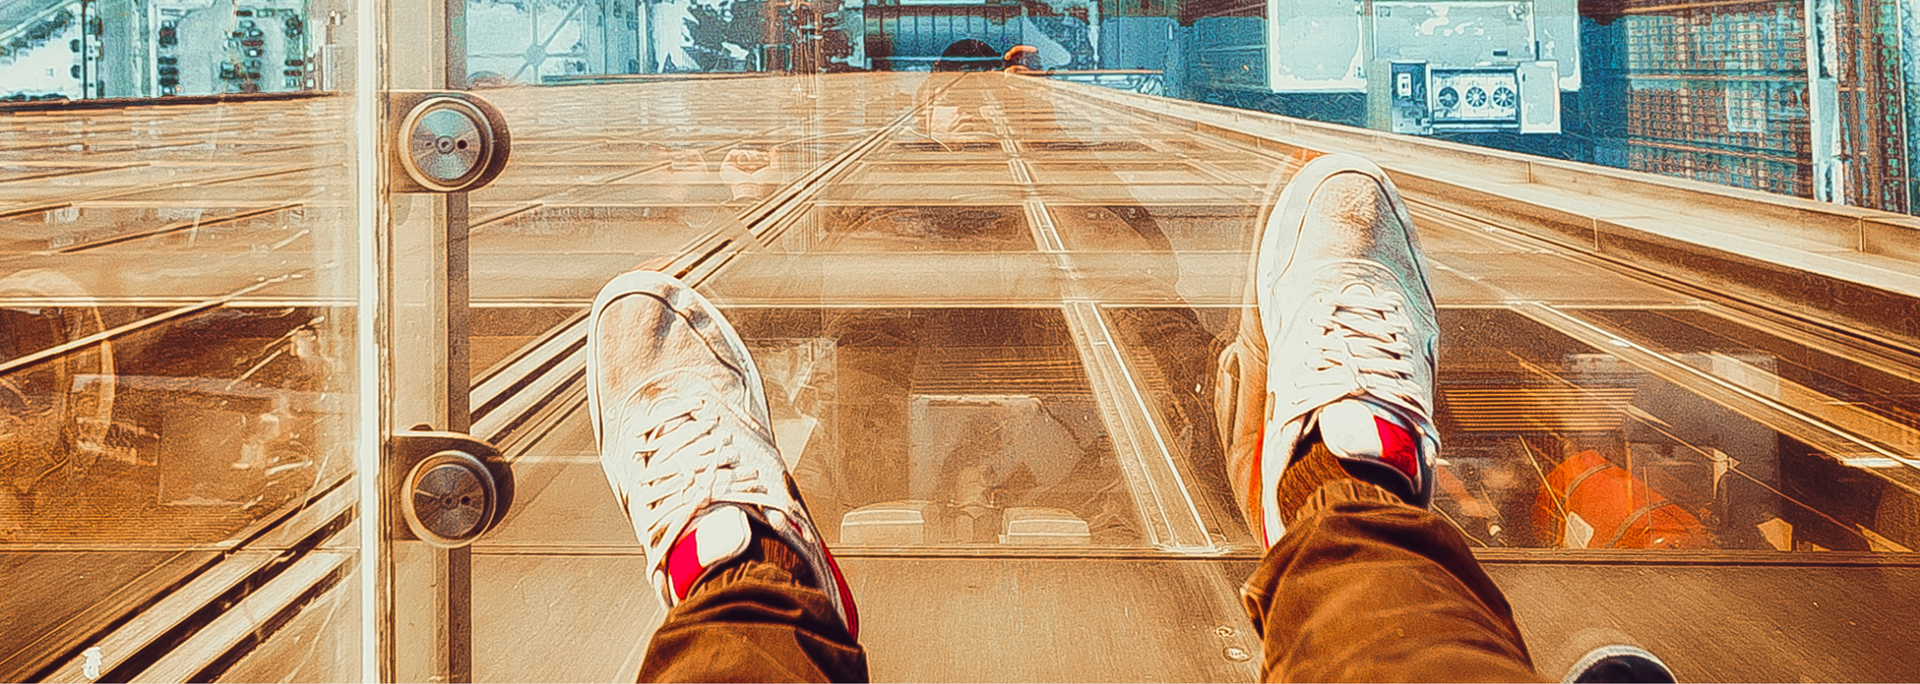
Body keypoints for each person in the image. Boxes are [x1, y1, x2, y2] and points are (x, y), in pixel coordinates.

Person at [584, 153, 1665, 682]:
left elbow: (1136, 290)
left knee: (724, 662)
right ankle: (1340, 485)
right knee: (1412, 635)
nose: (970, 119)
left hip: (998, 429)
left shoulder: (1080, 193)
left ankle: (741, 575)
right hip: (937, 413)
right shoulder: (905, 202)